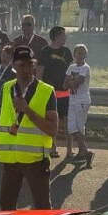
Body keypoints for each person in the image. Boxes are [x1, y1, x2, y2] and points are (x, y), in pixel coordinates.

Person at [0, 46, 60, 210]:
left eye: (30, 64)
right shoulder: (7, 87)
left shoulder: (46, 91)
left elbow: (53, 129)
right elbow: (2, 117)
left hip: (35, 160)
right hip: (10, 159)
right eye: (22, 65)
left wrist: (28, 110)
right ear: (13, 66)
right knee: (6, 206)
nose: (27, 69)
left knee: (42, 208)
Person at [37, 26, 73, 160]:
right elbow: (39, 72)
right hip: (49, 93)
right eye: (64, 35)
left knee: (67, 120)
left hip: (65, 92)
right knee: (52, 119)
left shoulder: (66, 51)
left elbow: (72, 70)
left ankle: (70, 150)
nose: (66, 37)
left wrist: (70, 84)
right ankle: (53, 146)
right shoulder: (44, 52)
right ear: (57, 36)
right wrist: (40, 90)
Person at [64, 44, 93, 164]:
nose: (80, 55)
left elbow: (77, 82)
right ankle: (85, 152)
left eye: (83, 53)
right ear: (74, 55)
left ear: (86, 55)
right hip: (72, 100)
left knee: (79, 127)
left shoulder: (85, 68)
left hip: (82, 100)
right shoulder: (71, 67)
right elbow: (64, 85)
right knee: (71, 127)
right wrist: (71, 81)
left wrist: (70, 81)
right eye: (78, 53)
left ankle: (82, 153)